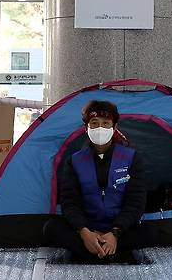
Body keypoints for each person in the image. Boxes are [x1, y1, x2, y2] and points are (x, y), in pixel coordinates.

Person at [43, 100, 158, 263]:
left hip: (120, 230)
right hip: (86, 229)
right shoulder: (74, 161)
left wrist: (114, 233)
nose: (100, 128)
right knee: (51, 228)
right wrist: (85, 233)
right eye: (94, 123)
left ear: (114, 127)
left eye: (105, 123)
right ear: (86, 128)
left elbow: (136, 203)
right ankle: (111, 253)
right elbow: (70, 203)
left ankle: (90, 253)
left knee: (151, 232)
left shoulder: (131, 158)